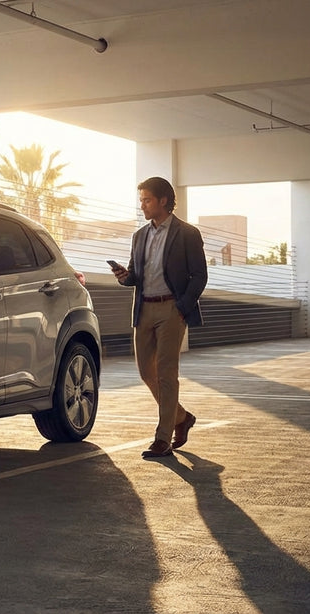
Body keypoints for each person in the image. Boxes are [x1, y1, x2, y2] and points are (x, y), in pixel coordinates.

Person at [113, 176, 208, 458]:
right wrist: (124, 277)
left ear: (163, 201)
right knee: (146, 372)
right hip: (143, 309)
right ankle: (181, 417)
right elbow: (135, 275)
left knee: (167, 374)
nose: (142, 205)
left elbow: (200, 275)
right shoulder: (139, 236)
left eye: (147, 200)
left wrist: (182, 307)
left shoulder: (187, 234)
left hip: (171, 310)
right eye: (141, 200)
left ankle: (162, 438)